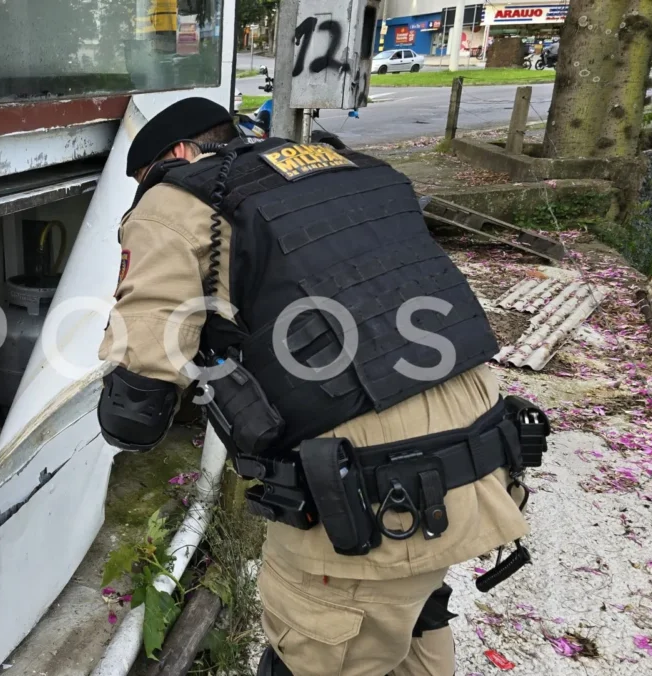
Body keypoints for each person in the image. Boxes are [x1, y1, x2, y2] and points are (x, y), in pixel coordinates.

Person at [95, 97, 547, 676]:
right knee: (414, 614)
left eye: (147, 177)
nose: (151, 188)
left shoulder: (179, 197)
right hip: (483, 455)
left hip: (373, 500)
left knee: (315, 646)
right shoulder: (348, 167)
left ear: (180, 153)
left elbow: (138, 397)